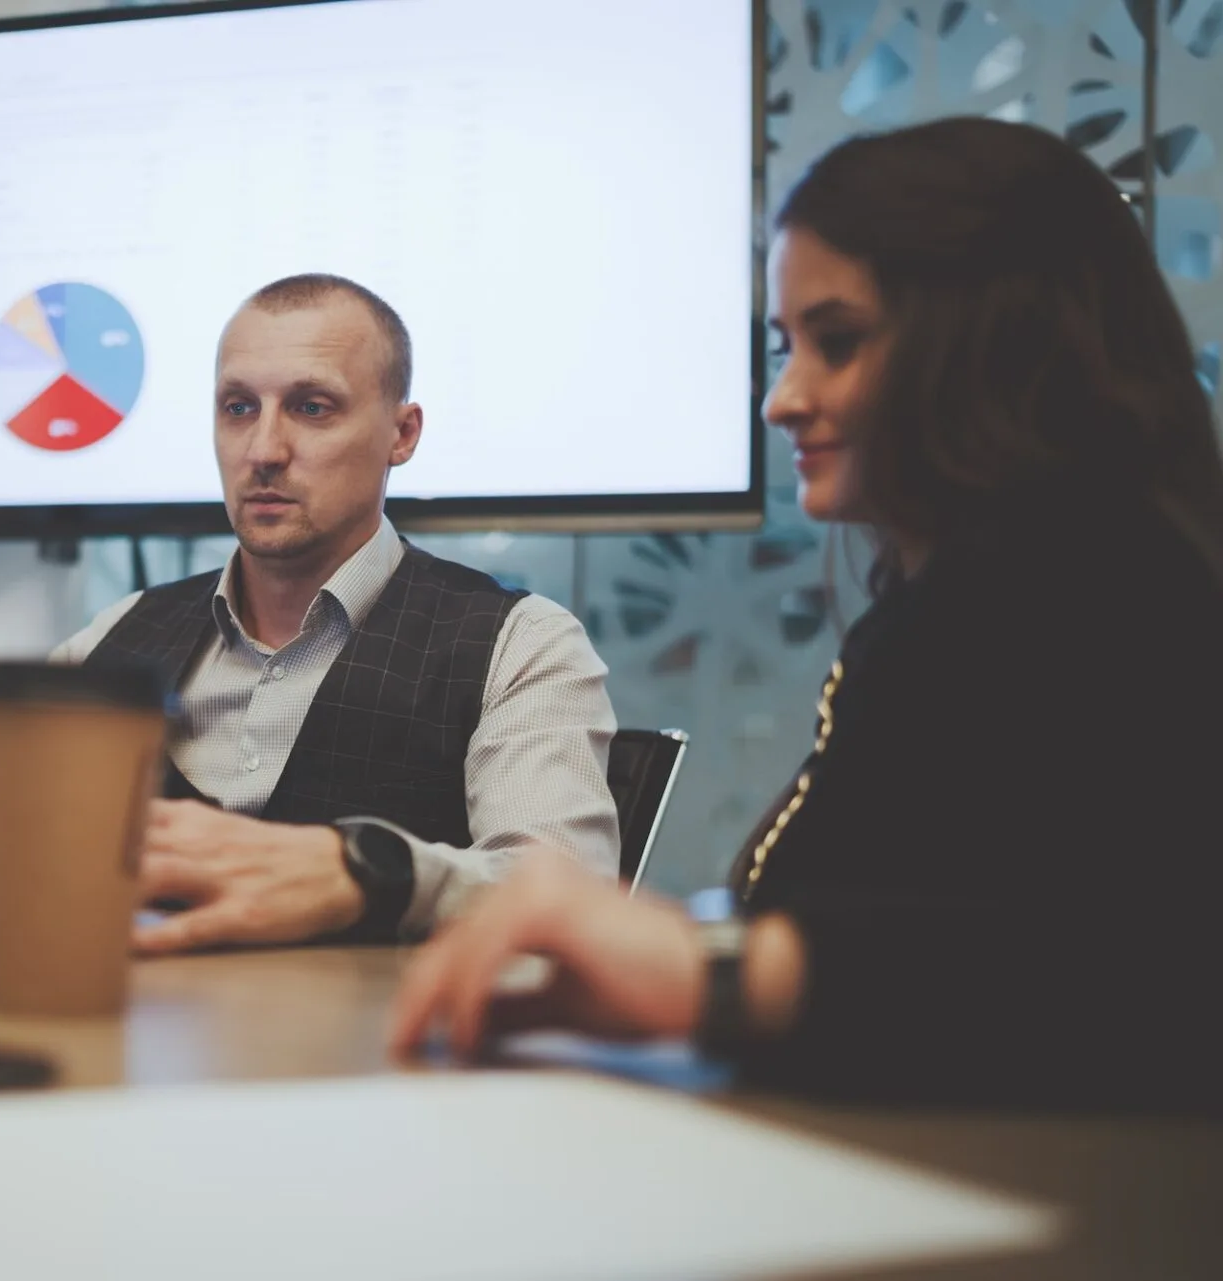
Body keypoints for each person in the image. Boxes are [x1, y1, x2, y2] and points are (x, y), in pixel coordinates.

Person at [389, 117, 1223, 1109]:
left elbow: (1123, 973)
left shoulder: (1111, 593)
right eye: (787, 346)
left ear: (1000, 342)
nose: (783, 399)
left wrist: (712, 973)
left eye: (839, 342)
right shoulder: (954, 600)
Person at [0, 274, 620, 955]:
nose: (263, 450)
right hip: (138, 1047)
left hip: (381, 1054)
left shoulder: (519, 644)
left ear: (402, 433)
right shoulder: (121, 633)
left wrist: (370, 872)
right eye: (238, 407)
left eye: (312, 407)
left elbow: (562, 896)